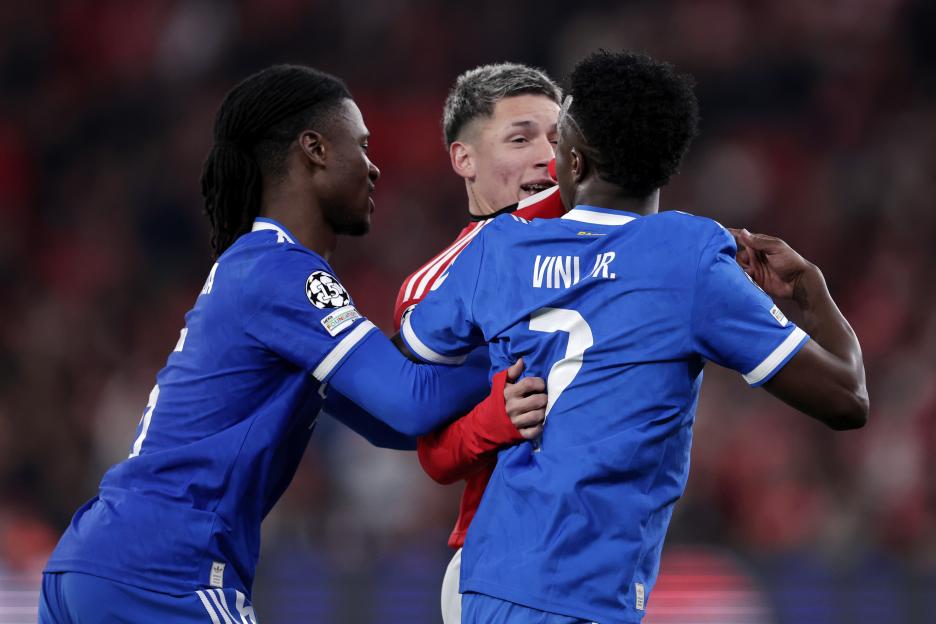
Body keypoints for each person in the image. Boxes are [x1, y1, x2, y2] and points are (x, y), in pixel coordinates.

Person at [38, 64, 545, 622]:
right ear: (315, 150)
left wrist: (484, 413)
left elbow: (394, 423)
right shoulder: (281, 271)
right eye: (362, 146)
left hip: (98, 563)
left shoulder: (256, 268)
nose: (374, 168)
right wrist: (521, 345)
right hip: (166, 570)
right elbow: (412, 399)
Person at [400, 50, 869, 624]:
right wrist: (811, 289)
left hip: (490, 578)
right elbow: (847, 399)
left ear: (572, 160)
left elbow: (409, 367)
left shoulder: (496, 250)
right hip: (579, 589)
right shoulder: (690, 257)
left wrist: (485, 417)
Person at [390, 62, 566, 623]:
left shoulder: (605, 248)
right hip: (506, 563)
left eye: (559, 138)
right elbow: (435, 454)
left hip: (604, 555)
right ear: (464, 159)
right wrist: (499, 416)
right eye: (521, 138)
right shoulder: (439, 285)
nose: (548, 155)